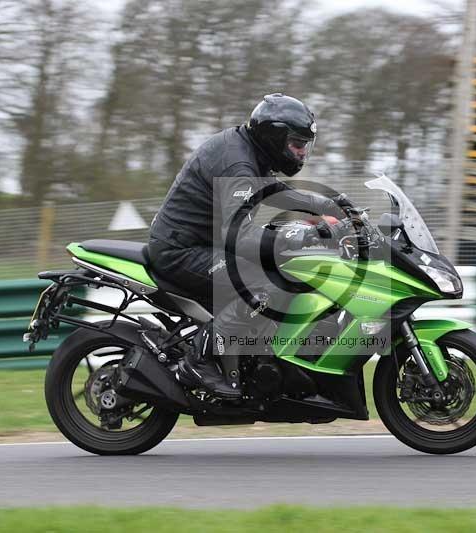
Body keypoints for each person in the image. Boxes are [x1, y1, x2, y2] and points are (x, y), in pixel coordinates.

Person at [147, 94, 350, 399]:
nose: (301, 153)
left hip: (204, 244)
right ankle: (200, 360)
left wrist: (329, 203)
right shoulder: (238, 163)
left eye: (305, 146)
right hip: (182, 251)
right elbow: (239, 236)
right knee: (262, 282)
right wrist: (298, 238)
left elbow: (275, 193)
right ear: (274, 136)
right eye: (296, 144)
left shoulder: (252, 153)